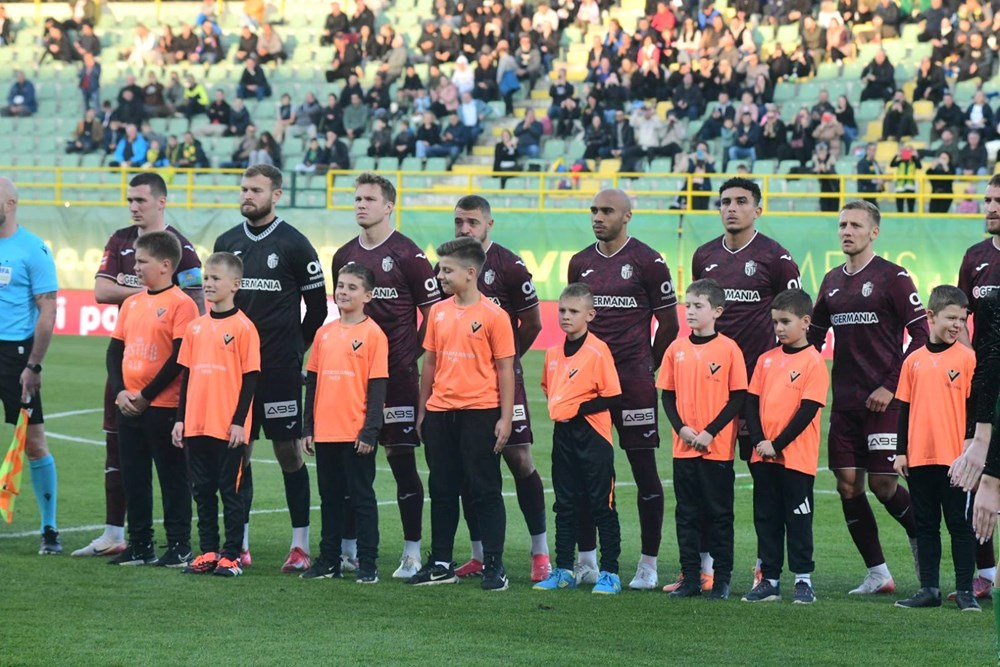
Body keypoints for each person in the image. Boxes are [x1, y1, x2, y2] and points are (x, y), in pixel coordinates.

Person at [74, 173, 204, 558]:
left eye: (141, 201)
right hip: (128, 370)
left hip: (163, 384)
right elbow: (101, 291)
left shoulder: (184, 249)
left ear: (161, 202)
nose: (133, 207)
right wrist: (150, 293)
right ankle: (118, 534)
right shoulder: (120, 239)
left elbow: (195, 304)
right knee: (119, 454)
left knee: (169, 467)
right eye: (129, 200)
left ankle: (177, 543)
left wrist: (157, 295)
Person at [681, 177, 801, 592]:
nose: (731, 208)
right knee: (702, 482)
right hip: (709, 390)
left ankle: (764, 569)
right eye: (725, 202)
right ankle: (701, 568)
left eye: (741, 201)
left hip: (758, 390)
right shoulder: (705, 255)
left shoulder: (777, 258)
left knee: (765, 480)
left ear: (758, 208)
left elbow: (799, 321)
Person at [808, 200, 927, 595]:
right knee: (847, 485)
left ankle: (921, 540)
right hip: (845, 403)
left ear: (874, 232)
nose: (847, 231)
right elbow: (812, 340)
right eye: (842, 224)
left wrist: (891, 385)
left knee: (884, 485)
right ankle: (878, 573)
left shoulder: (894, 277)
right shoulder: (831, 281)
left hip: (885, 403)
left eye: (856, 225)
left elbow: (922, 337)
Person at [213, 165, 328, 572]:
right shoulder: (227, 242)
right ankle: (238, 542)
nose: (247, 195)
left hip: (278, 369)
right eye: (244, 189)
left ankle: (299, 545)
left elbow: (316, 308)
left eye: (256, 190)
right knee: (236, 451)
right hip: (234, 371)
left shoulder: (295, 244)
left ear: (275, 195)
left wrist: (295, 347)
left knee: (288, 453)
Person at [567, 188, 680, 590]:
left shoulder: (648, 261)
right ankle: (586, 560)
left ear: (627, 216)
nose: (598, 217)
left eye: (607, 211)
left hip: (632, 383)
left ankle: (648, 564)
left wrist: (645, 363)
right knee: (587, 473)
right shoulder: (580, 262)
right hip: (589, 384)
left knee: (644, 471)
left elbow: (670, 325)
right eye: (594, 210)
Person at [331, 173, 440, 578]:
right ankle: (347, 550)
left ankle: (411, 552)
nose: (361, 205)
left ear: (389, 205)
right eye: (357, 198)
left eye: (370, 199)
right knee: (348, 462)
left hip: (395, 378)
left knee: (400, 458)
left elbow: (432, 314)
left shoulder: (409, 255)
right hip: (349, 378)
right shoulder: (344, 255)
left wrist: (412, 354)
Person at [449, 196, 549, 581]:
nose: (464, 229)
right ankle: (478, 554)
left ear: (489, 224)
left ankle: (540, 552)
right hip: (461, 383)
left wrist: (505, 362)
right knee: (469, 468)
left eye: (472, 222)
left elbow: (534, 323)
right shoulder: (449, 265)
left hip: (503, 381)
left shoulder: (509, 265)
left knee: (520, 459)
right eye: (459, 222)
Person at [407, 236, 515, 591]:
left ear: (471, 273)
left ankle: (495, 565)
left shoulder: (494, 316)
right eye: (440, 268)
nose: (439, 274)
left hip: (480, 413)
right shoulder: (438, 312)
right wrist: (423, 410)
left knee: (485, 489)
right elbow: (431, 364)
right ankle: (440, 562)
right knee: (441, 488)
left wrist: (505, 417)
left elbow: (505, 369)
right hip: (441, 413)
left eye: (447, 269)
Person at [105, 231, 198, 567]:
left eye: (142, 261)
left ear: (165, 265)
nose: (135, 266)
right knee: (134, 476)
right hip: (129, 405)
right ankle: (141, 544)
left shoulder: (181, 304)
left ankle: (179, 546)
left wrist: (146, 395)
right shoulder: (132, 303)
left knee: (173, 478)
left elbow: (178, 358)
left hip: (163, 406)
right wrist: (121, 392)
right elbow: (114, 351)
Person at [657, 279, 747, 600]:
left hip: (716, 449)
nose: (690, 311)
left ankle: (721, 579)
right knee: (687, 515)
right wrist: (681, 428)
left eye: (698, 306)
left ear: (717, 311)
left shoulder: (729, 349)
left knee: (720, 515)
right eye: (688, 305)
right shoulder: (676, 349)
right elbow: (667, 396)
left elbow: (737, 398)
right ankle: (691, 579)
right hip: (684, 449)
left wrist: (710, 431)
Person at [172, 252, 261, 578]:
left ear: (235, 285)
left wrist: (240, 421)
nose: (208, 284)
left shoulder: (244, 328)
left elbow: (251, 378)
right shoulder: (196, 328)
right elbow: (187, 376)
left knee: (231, 492)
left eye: (215, 279)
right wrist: (181, 418)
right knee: (203, 490)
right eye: (206, 278)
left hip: (228, 427)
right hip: (197, 424)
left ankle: (231, 555)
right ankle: (208, 551)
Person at [299, 262, 388, 583]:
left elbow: (377, 389)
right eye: (340, 286)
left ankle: (368, 563)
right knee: (330, 499)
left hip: (355, 434)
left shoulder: (374, 335)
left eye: (352, 287)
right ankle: (329, 560)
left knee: (362, 498)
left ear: (368, 295)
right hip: (325, 433)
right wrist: (308, 428)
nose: (344, 292)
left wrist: (370, 431)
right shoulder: (324, 333)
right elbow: (313, 383)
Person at [892, 285, 979, 611]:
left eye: (963, 319)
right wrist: (901, 451)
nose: (958, 325)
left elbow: (975, 412)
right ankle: (928, 589)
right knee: (926, 525)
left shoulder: (969, 359)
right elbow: (903, 409)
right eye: (951, 318)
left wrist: (971, 455)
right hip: (919, 458)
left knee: (960, 525)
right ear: (930, 316)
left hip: (957, 461)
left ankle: (965, 591)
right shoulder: (913, 361)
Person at [533, 283, 623, 595]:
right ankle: (563, 570)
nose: (566, 317)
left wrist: (577, 409)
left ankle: (610, 571)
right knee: (565, 503)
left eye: (573, 312)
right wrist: (564, 411)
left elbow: (612, 396)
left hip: (593, 436)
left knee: (602, 504)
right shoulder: (554, 352)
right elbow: (549, 386)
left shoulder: (598, 351)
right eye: (562, 310)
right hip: (564, 436)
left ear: (590, 315)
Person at [742, 288, 829, 604]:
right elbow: (751, 403)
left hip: (795, 459)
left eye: (785, 322)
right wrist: (758, 442)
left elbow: (807, 410)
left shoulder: (813, 362)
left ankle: (803, 580)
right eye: (775, 322)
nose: (778, 328)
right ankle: (770, 580)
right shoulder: (765, 360)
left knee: (798, 519)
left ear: (806, 322)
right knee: (766, 518)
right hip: (763, 456)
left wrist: (777, 444)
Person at [0, 177, 60, 555]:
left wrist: (33, 366)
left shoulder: (32, 249)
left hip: (14, 356)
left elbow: (48, 310)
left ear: (10, 203)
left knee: (34, 442)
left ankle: (49, 528)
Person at [952, 172, 1000, 600]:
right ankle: (986, 572)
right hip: (983, 386)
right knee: (975, 473)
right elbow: (958, 315)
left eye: (997, 201)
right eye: (987, 199)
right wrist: (971, 359)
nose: (990, 207)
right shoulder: (975, 256)